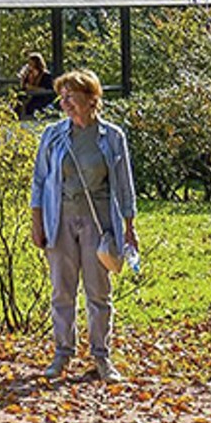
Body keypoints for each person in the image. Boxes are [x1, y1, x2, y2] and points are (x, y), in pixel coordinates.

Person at [29, 69, 138, 382]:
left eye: (71, 97)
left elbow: (124, 185)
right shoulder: (53, 135)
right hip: (59, 218)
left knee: (98, 292)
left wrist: (129, 228)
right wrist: (37, 222)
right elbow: (39, 181)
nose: (65, 103)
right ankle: (62, 355)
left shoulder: (112, 137)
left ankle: (102, 358)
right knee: (62, 291)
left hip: (98, 222)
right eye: (62, 97)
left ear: (92, 99)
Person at [18, 52, 56, 116]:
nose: (29, 65)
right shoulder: (27, 74)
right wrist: (23, 78)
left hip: (42, 98)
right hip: (30, 96)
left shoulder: (46, 75)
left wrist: (33, 88)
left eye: (31, 63)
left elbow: (49, 90)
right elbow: (23, 87)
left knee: (32, 107)